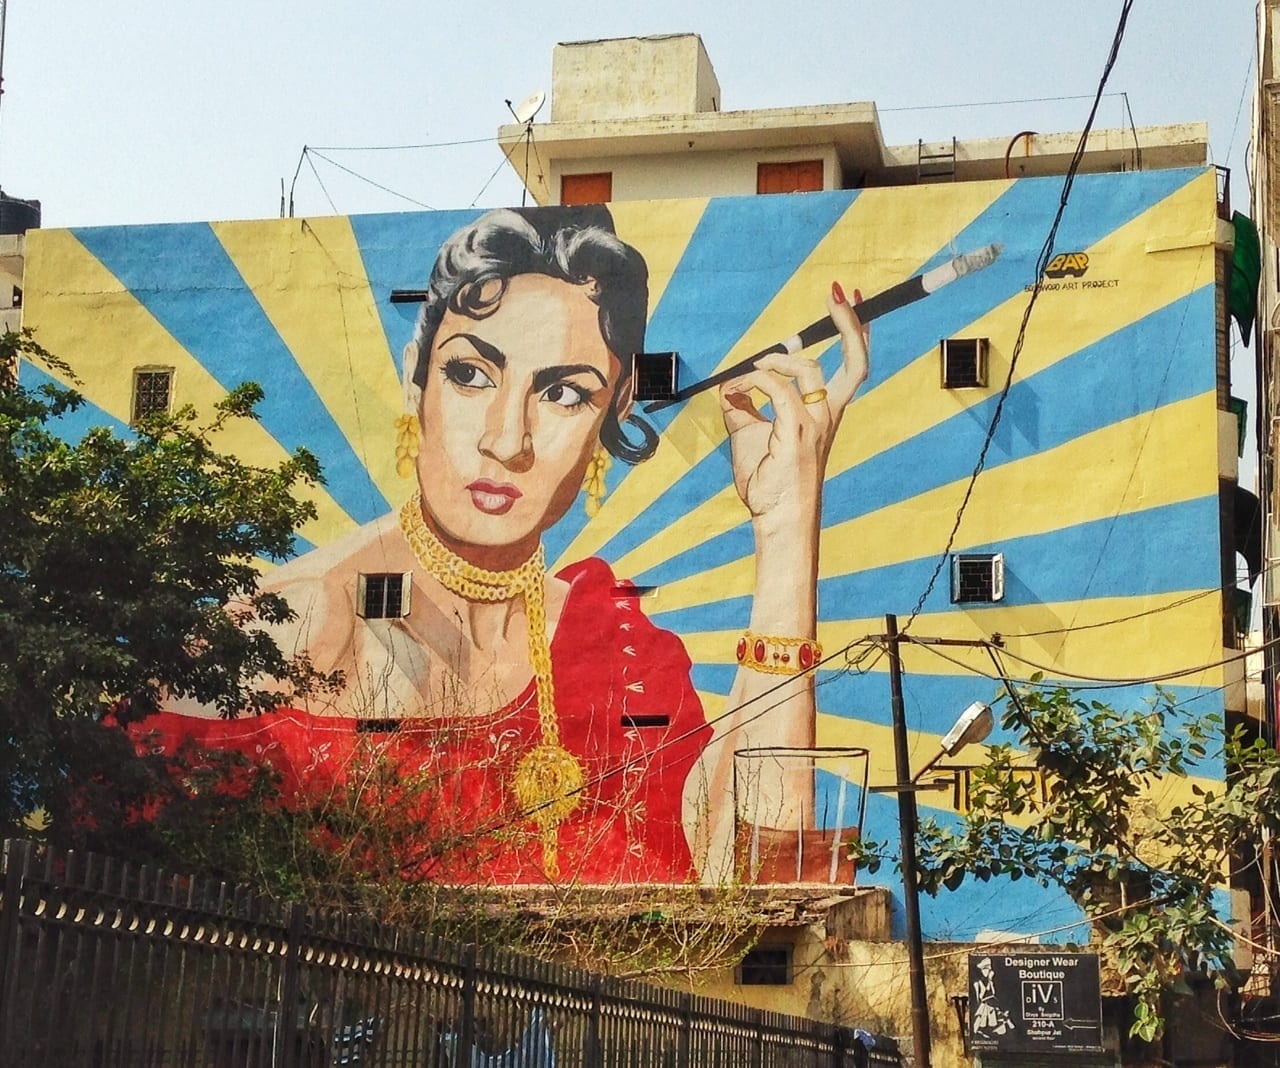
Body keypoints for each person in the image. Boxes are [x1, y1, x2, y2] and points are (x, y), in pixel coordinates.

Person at [140, 205, 870, 885]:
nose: (505, 439)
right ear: (414, 379)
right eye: (470, 374)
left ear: (610, 416)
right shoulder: (282, 634)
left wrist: (785, 523)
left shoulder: (619, 652)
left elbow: (763, 873)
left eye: (562, 394)